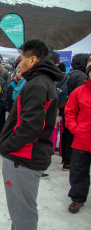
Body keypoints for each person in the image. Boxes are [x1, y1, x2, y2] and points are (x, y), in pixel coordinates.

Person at [0, 39, 64, 230]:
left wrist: (6, 145)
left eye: (21, 59)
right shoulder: (41, 81)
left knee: (23, 215)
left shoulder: (38, 84)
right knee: (20, 214)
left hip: (23, 159)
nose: (19, 64)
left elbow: (30, 128)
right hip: (26, 157)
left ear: (33, 59)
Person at [64, 57, 91, 214]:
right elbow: (69, 112)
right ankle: (77, 198)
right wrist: (75, 129)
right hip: (82, 140)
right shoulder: (79, 92)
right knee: (78, 170)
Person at [60, 53, 89, 171]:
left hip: (64, 108)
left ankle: (64, 158)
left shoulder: (69, 74)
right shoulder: (82, 77)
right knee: (72, 137)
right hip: (76, 114)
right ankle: (68, 161)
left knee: (65, 134)